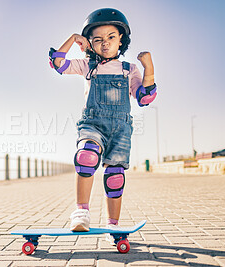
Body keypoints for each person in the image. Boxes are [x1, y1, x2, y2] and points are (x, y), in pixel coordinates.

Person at [49, 8, 157, 244]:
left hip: (120, 130)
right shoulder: (88, 66)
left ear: (121, 40)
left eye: (111, 37)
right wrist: (73, 38)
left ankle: (113, 226)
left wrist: (149, 68)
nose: (105, 43)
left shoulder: (130, 69)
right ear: (90, 43)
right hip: (92, 124)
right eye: (97, 39)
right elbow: (57, 63)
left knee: (114, 177)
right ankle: (81, 212)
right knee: (86, 157)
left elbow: (144, 97)